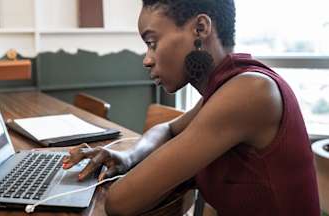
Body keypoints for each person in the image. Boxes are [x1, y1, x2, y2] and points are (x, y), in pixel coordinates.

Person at [62, 0, 320, 215]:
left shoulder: (250, 92)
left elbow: (119, 203)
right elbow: (167, 129)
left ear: (200, 28)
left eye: (152, 42)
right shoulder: (225, 87)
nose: (147, 60)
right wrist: (127, 156)